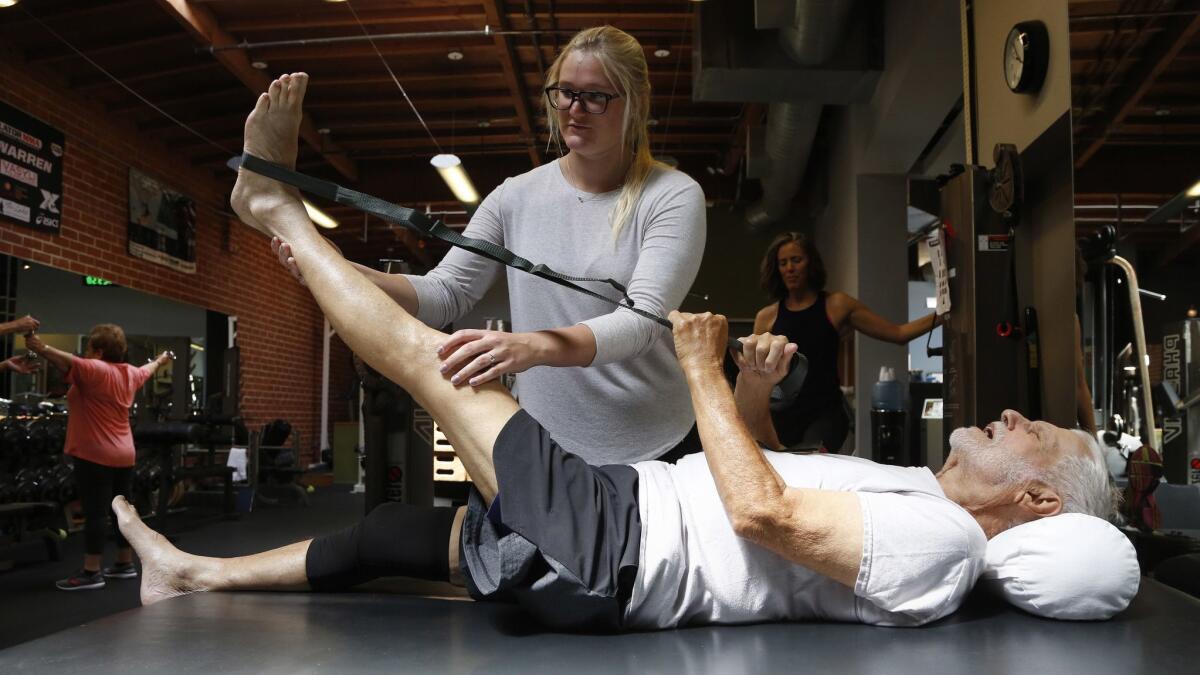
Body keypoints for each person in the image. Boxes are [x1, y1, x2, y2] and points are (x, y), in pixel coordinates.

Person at [108, 78, 1118, 631]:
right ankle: (189, 577)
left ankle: (274, 204)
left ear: (1033, 502)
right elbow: (773, 486)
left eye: (1040, 434)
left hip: (621, 548)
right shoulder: (918, 498)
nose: (1017, 415)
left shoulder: (942, 550)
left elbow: (759, 515)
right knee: (391, 537)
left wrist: (696, 373)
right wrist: (753, 397)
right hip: (619, 517)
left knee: (433, 362)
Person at [271, 26, 706, 465]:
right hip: (549, 447)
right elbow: (445, 293)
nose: (575, 109)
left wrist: (530, 346)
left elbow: (642, 320)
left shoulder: (671, 195)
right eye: (565, 92)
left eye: (596, 96)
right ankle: (274, 199)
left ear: (635, 102)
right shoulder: (514, 197)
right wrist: (335, 267)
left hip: (656, 442)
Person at [753, 232, 939, 451]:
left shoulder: (836, 305)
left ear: (810, 263)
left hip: (825, 415)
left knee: (814, 467)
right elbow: (755, 378)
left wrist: (943, 314)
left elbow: (898, 334)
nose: (790, 268)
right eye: (783, 263)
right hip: (782, 417)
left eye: (796, 260)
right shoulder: (767, 317)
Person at [24, 325, 173, 591]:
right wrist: (161, 360)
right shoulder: (130, 373)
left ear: (99, 351)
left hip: (95, 453)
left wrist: (40, 347)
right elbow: (148, 370)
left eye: (89, 348)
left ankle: (91, 571)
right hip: (124, 453)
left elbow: (66, 360)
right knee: (121, 513)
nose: (86, 353)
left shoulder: (95, 369)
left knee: (95, 513)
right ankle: (124, 563)